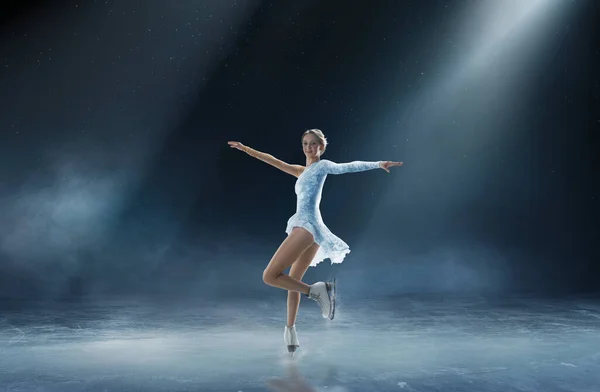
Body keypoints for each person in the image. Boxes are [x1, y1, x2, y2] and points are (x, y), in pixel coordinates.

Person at [228, 129, 402, 354]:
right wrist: (245, 149)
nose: (309, 148)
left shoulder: (322, 166)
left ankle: (316, 290)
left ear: (322, 147)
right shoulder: (301, 171)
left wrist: (378, 163)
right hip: (312, 229)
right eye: (305, 143)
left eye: (313, 144)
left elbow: (347, 166)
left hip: (306, 227)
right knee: (292, 280)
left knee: (270, 276)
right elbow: (273, 160)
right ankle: (290, 330)